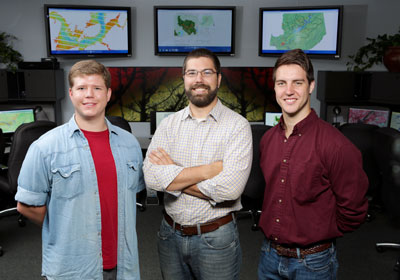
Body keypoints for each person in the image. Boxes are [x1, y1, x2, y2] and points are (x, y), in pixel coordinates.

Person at [15, 60, 145, 280]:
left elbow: (132, 196)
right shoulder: (45, 147)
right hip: (72, 268)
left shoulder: (130, 144)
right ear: (71, 93)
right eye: (82, 88)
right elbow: (27, 207)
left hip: (123, 266)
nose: (89, 95)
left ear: (108, 93)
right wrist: (65, 222)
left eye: (97, 88)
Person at [257, 49, 369, 280]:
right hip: (268, 256)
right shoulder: (268, 140)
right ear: (275, 87)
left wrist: (320, 234)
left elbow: (354, 210)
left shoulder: (336, 145)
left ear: (310, 86)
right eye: (281, 83)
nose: (288, 91)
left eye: (297, 83)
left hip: (313, 262)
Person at [143, 48, 252, 280]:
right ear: (184, 79)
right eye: (191, 73)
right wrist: (208, 170)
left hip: (216, 239)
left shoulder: (237, 126)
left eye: (206, 72)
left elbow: (229, 190)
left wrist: (173, 175)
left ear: (219, 79)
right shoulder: (168, 125)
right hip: (169, 235)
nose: (199, 79)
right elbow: (152, 178)